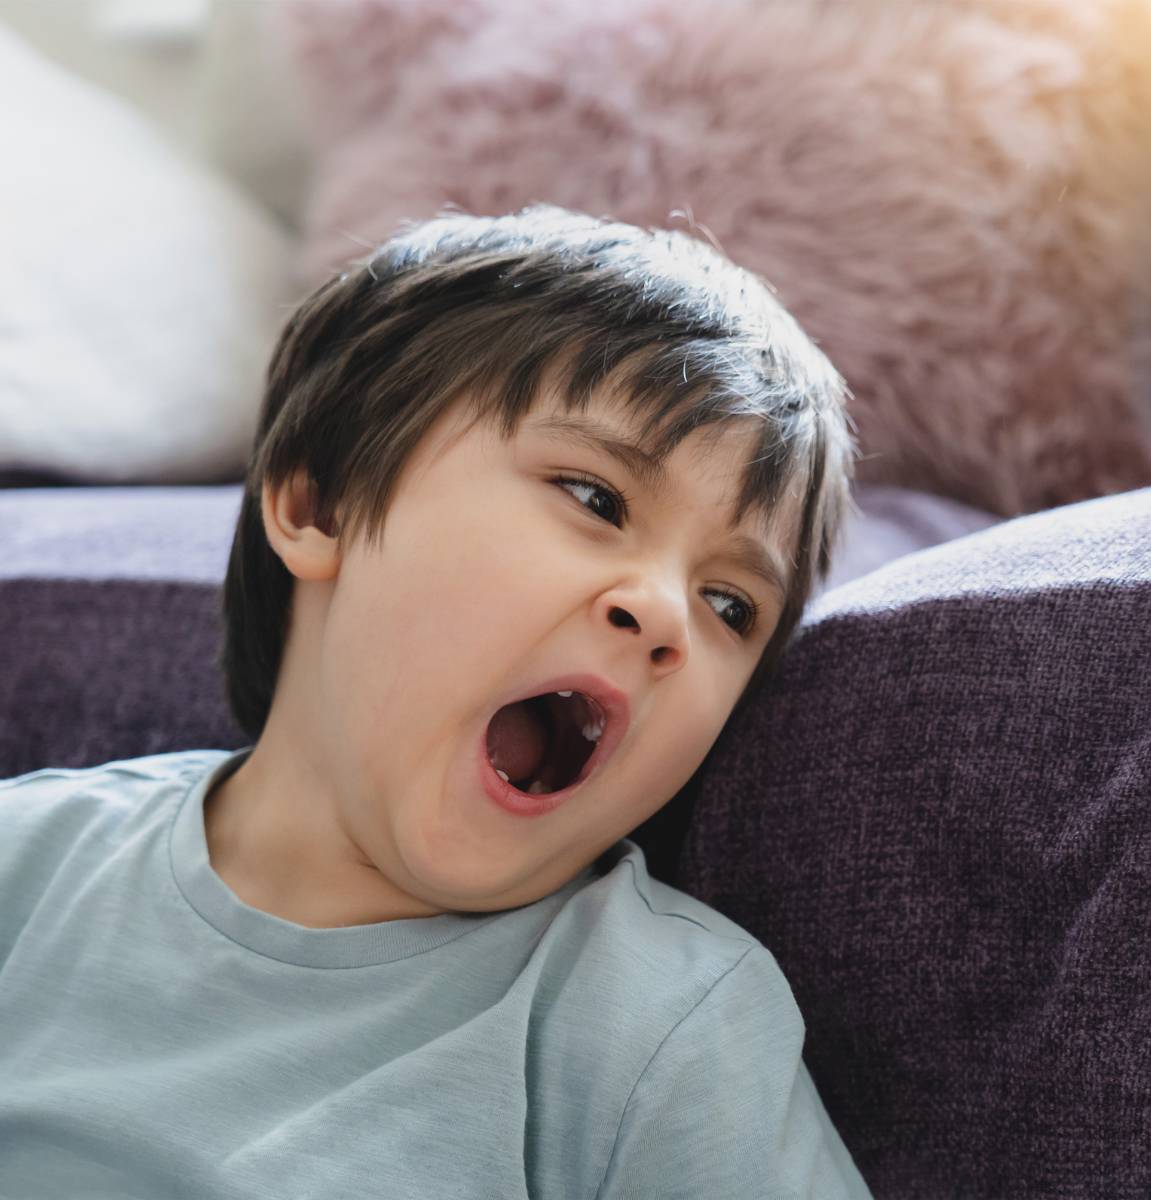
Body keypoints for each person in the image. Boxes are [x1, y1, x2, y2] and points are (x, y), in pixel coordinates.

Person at [0, 205, 871, 1197]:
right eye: (596, 499)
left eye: (730, 605)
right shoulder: (26, 866)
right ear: (319, 505)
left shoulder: (668, 1033)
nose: (667, 612)